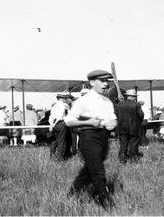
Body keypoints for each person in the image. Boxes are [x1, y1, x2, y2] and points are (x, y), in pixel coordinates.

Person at [65, 69, 117, 209]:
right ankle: (107, 204)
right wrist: (87, 123)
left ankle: (72, 195)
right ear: (92, 82)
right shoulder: (84, 101)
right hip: (89, 137)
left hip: (103, 138)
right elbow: (69, 120)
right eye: (102, 81)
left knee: (89, 171)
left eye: (107, 81)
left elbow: (112, 119)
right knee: (98, 172)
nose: (105, 84)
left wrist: (112, 123)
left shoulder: (107, 101)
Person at [115, 89, 144, 163]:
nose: (135, 98)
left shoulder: (119, 105)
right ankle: (133, 159)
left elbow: (116, 116)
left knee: (123, 144)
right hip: (134, 127)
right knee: (134, 144)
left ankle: (122, 159)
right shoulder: (137, 104)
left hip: (122, 127)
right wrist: (138, 122)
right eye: (135, 96)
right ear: (132, 97)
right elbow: (141, 115)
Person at [49, 93, 71, 160]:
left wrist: (51, 125)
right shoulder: (62, 106)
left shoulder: (54, 106)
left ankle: (52, 156)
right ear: (62, 98)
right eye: (64, 98)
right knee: (61, 142)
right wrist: (55, 124)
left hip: (54, 125)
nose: (65, 99)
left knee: (54, 141)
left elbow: (51, 117)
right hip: (60, 124)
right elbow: (59, 117)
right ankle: (60, 158)